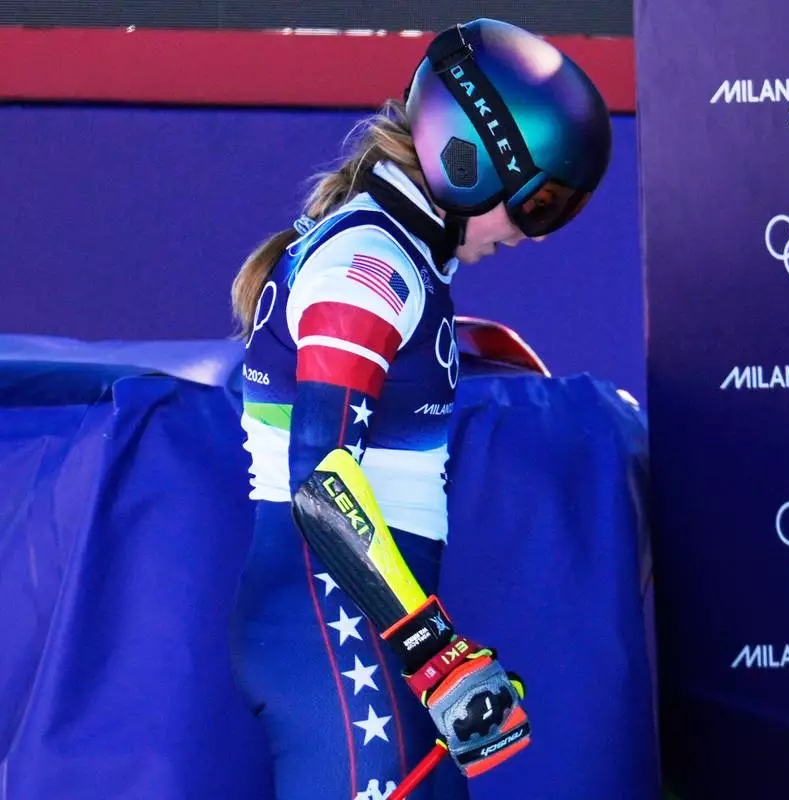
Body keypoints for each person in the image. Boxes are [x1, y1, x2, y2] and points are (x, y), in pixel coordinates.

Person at [226, 19, 612, 800]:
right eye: (538, 204)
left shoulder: (397, 256)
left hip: (360, 624)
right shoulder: (368, 265)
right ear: (468, 162)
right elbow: (321, 482)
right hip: (336, 628)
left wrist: (426, 647)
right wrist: (433, 651)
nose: (535, 235)